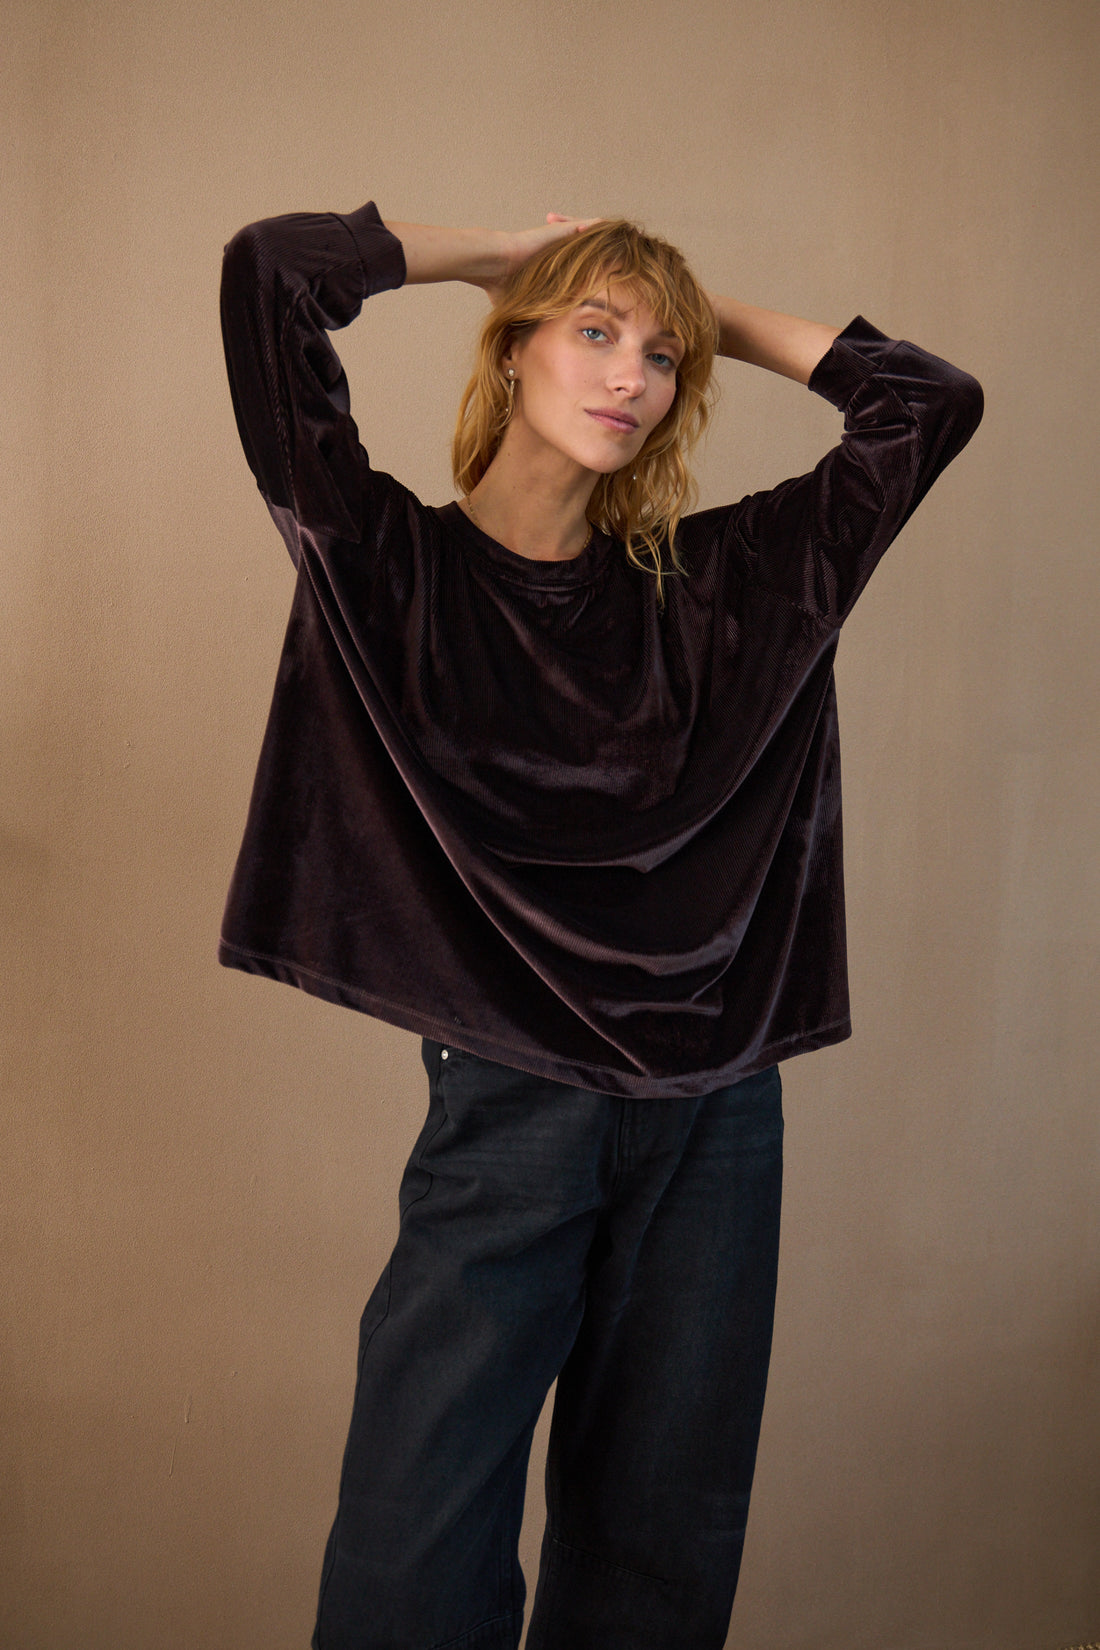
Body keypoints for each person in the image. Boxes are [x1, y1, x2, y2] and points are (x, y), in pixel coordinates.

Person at [218, 199, 983, 1650]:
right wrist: (482, 254)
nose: (631, 374)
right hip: (512, 1108)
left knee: (658, 1558)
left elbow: (928, 404)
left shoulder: (728, 588)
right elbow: (270, 279)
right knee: (414, 1551)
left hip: (717, 1117)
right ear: (511, 353)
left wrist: (710, 317)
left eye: (660, 357)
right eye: (592, 333)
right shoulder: (391, 567)